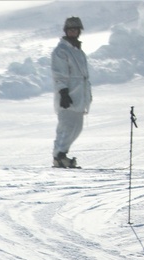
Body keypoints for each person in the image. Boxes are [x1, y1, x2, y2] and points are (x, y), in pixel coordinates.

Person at [51, 16, 91, 168]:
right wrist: (63, 92)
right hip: (67, 96)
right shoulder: (61, 51)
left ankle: (62, 154)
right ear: (66, 31)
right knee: (66, 126)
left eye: (76, 29)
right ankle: (58, 156)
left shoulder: (78, 51)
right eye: (70, 29)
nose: (73, 32)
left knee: (76, 127)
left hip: (79, 97)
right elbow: (59, 73)